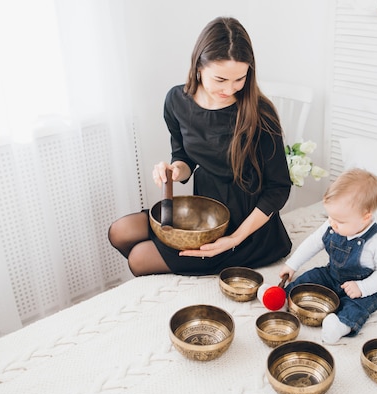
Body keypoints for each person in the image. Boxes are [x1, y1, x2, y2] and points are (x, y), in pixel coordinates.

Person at [108, 16, 292, 277]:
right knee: (119, 231)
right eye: (220, 79)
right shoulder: (176, 101)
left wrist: (233, 239)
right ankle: (177, 264)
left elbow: (279, 188)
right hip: (203, 209)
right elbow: (184, 158)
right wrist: (173, 171)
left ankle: (185, 267)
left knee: (139, 258)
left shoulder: (260, 112)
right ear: (198, 67)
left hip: (246, 225)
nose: (230, 89)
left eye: (240, 79)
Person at [276, 168, 377, 344]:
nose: (332, 223)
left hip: (362, 285)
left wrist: (363, 287)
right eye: (330, 217)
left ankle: (340, 325)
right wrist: (292, 264)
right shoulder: (332, 224)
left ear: (365, 217)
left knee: (359, 306)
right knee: (310, 277)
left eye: (340, 221)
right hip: (332, 274)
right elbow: (313, 243)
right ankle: (281, 297)